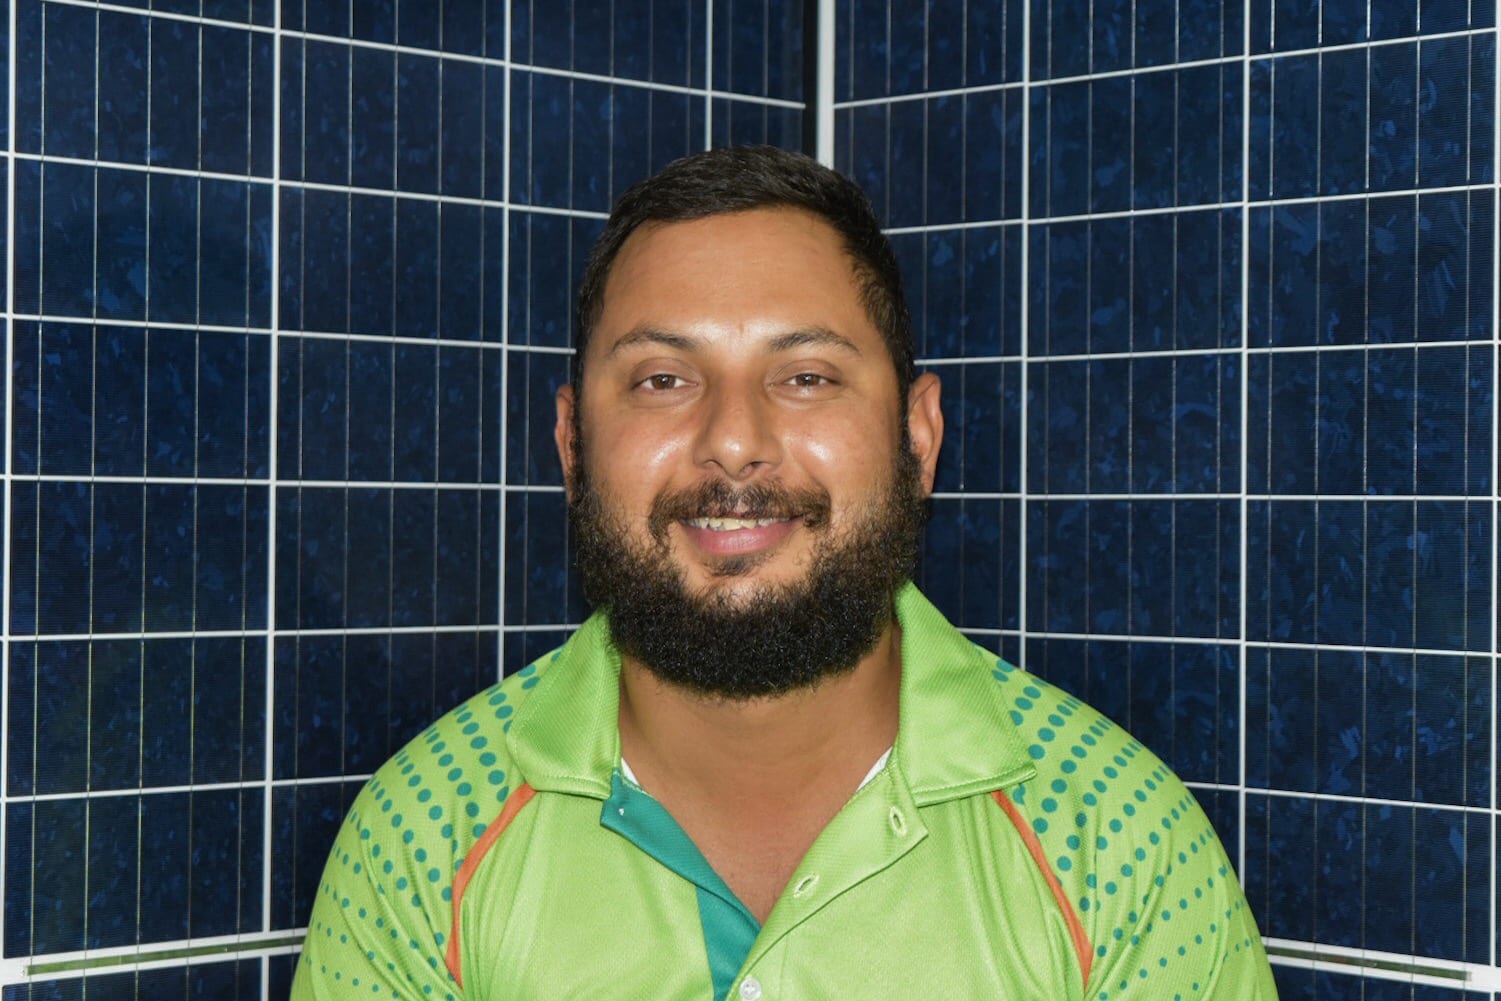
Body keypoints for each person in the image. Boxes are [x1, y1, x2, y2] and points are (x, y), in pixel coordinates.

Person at [291, 146, 1278, 1000]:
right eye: (662, 379)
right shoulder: (421, 837)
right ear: (570, 442)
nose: (732, 439)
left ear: (918, 437)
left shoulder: (1118, 841)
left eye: (805, 376)